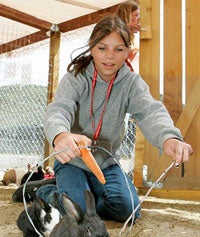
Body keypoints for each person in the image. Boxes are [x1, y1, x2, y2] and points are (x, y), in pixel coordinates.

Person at [37, 15, 193, 223]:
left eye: (118, 49)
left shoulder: (131, 83)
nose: (110, 56)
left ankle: (85, 198)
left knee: (127, 210)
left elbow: (150, 112)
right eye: (102, 48)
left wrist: (169, 138)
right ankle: (47, 192)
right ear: (92, 48)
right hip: (72, 162)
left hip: (106, 162)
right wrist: (61, 134)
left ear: (127, 51)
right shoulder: (76, 78)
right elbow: (59, 109)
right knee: (78, 213)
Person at [116, 0, 140, 71]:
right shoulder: (113, 32)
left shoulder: (133, 41)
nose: (139, 19)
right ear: (127, 16)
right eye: (136, 15)